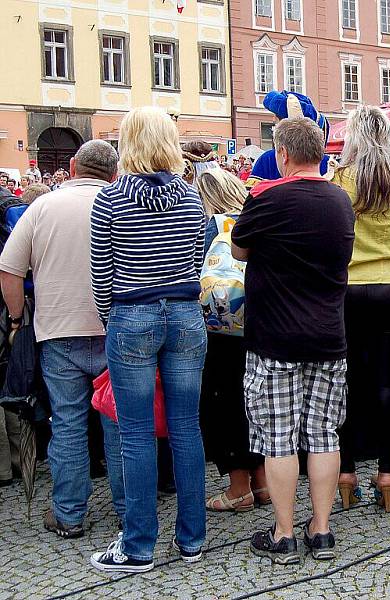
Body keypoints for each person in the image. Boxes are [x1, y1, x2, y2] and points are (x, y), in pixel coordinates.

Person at [88, 106, 208, 573]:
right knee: (186, 428)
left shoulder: (111, 199)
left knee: (135, 433)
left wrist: (111, 317)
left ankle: (137, 545)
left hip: (131, 312)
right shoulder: (192, 198)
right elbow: (197, 259)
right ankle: (192, 538)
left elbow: (102, 271)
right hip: (183, 313)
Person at [231, 117, 355, 563]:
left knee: (279, 437)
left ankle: (284, 534)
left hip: (275, 338)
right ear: (320, 152)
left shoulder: (269, 198)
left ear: (281, 154)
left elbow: (238, 249)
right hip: (328, 335)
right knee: (324, 434)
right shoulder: (341, 200)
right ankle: (321, 530)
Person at [0, 140, 125, 538]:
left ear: (72, 167)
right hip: (114, 330)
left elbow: (9, 269)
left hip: (58, 331)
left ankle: (69, 515)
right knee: (120, 425)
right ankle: (128, 512)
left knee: (67, 425)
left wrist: (18, 319)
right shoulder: (121, 203)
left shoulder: (42, 206)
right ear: (114, 172)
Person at [331, 105, 390, 513]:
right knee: (389, 382)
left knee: (347, 381)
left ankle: (347, 470)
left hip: (347, 291)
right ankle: (387, 471)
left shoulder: (339, 180)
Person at [195, 168, 269, 513]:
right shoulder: (254, 221)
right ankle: (264, 481)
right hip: (258, 324)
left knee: (222, 402)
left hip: (218, 329)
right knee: (256, 400)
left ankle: (239, 487)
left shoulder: (207, 227)